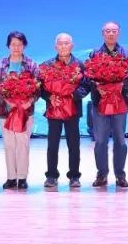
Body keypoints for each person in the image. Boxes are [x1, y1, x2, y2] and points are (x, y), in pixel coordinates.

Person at [88, 21, 128, 189]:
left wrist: (121, 85)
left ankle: (120, 175)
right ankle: (102, 174)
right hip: (100, 102)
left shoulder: (127, 54)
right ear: (102, 33)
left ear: (119, 33)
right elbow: (89, 76)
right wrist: (98, 86)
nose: (111, 34)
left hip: (120, 101)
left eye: (114, 31)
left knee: (120, 141)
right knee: (100, 141)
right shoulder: (95, 53)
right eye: (107, 31)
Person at [38, 33, 90, 190]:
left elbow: (86, 85)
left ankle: (74, 176)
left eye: (66, 43)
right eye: (60, 44)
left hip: (72, 109)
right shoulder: (46, 66)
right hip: (54, 109)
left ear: (72, 46)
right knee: (52, 144)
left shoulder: (80, 65)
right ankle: (51, 176)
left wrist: (73, 95)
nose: (63, 46)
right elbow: (39, 87)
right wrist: (49, 97)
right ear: (55, 47)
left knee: (73, 144)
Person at [0, 31, 37, 190]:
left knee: (23, 144)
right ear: (8, 46)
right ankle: (11, 177)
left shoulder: (31, 64)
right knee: (9, 144)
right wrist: (7, 100)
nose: (16, 47)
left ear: (24, 45)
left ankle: (22, 177)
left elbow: (38, 86)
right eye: (13, 44)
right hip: (5, 110)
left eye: (19, 44)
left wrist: (28, 101)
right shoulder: (0, 64)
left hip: (25, 111)